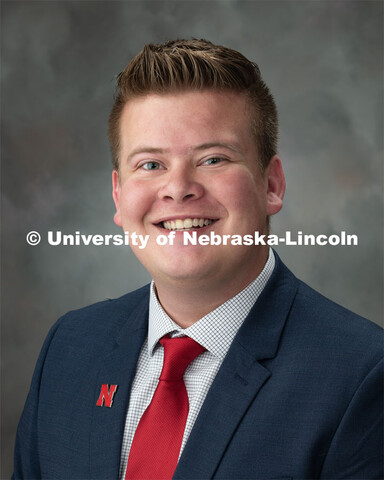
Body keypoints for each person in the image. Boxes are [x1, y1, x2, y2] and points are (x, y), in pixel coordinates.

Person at [13, 39, 383, 480]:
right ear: (118, 194)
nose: (178, 188)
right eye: (150, 165)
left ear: (272, 185)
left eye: (212, 159)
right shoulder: (70, 346)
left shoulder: (362, 373)